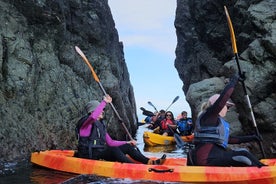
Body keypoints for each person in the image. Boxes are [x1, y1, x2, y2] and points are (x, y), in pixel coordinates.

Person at [188, 74, 266, 167]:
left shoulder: (213, 121)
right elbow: (222, 100)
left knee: (243, 151)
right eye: (227, 106)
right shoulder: (209, 115)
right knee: (243, 155)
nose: (228, 109)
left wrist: (253, 137)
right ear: (217, 105)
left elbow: (229, 139)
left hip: (213, 157)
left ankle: (261, 167)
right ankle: (264, 171)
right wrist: (233, 81)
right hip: (206, 160)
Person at [76, 94, 166, 165]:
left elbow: (110, 142)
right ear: (92, 111)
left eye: (103, 109)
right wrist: (104, 102)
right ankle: (134, 167)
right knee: (113, 150)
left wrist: (127, 142)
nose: (102, 111)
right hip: (89, 155)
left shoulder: (100, 125)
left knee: (127, 147)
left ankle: (149, 162)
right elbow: (92, 117)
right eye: (100, 109)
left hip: (99, 152)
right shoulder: (86, 124)